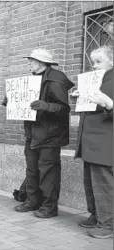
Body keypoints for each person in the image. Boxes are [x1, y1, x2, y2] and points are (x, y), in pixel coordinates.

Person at [13, 48, 74, 218]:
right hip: (32, 133)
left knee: (48, 172)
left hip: (50, 134)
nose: (29, 63)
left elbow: (64, 108)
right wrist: (12, 100)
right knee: (32, 169)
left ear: (41, 62)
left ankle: (49, 207)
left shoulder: (56, 79)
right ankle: (32, 201)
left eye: (32, 60)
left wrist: (46, 106)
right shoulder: (30, 80)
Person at [72, 45, 113, 239]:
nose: (94, 66)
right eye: (93, 62)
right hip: (89, 142)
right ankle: (96, 215)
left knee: (104, 186)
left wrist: (110, 104)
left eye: (99, 62)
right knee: (91, 183)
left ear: (112, 61)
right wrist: (79, 98)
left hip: (104, 144)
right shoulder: (94, 81)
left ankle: (107, 224)